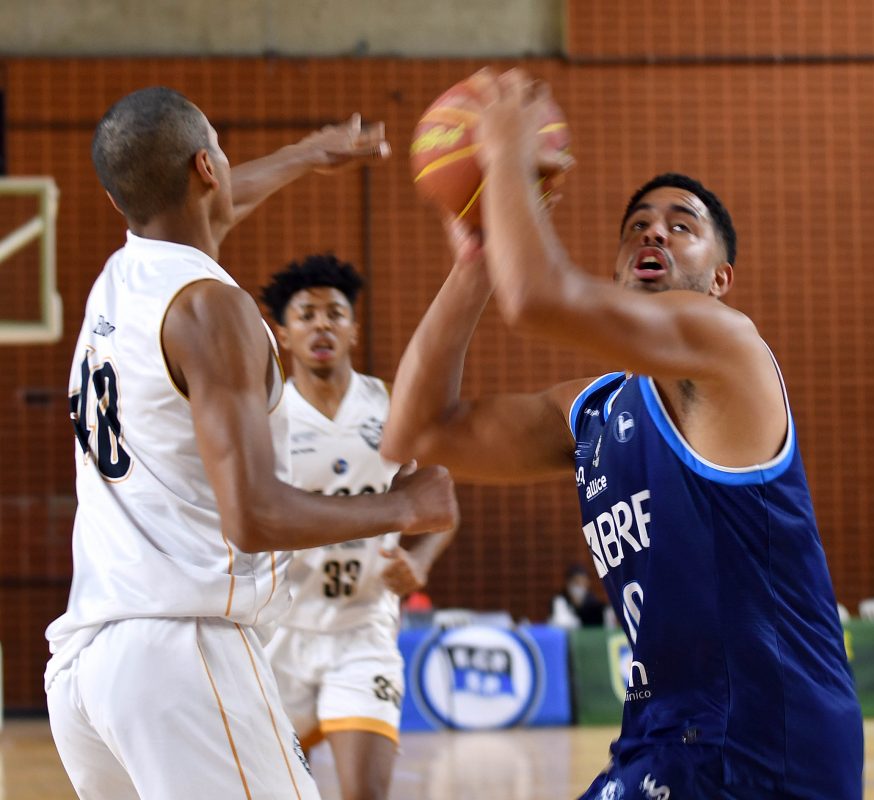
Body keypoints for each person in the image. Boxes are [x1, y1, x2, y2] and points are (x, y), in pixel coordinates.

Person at [382, 70, 863, 799]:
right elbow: (417, 430)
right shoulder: (593, 410)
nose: (654, 231)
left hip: (767, 739)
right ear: (617, 269)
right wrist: (473, 265)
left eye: (682, 225)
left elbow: (536, 296)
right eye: (637, 224)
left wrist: (504, 157)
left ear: (721, 280)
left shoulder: (729, 345)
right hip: (666, 738)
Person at [47, 87, 458, 800]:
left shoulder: (117, 282)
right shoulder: (213, 310)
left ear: (119, 200)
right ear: (208, 167)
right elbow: (255, 515)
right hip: (181, 654)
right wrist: (402, 507)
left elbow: (208, 208)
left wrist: (305, 154)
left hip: (88, 666)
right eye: (220, 153)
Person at [258, 254, 455, 800]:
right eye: (306, 315)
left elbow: (442, 504)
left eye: (335, 313)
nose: (321, 325)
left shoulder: (392, 405)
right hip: (280, 630)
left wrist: (419, 561)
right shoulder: (266, 418)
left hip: (363, 628)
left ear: (353, 329)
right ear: (284, 334)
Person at [549, 563, 607, 627]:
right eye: (576, 582)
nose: (579, 586)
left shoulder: (593, 603)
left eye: (582, 582)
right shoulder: (559, 601)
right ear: (568, 583)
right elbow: (560, 622)